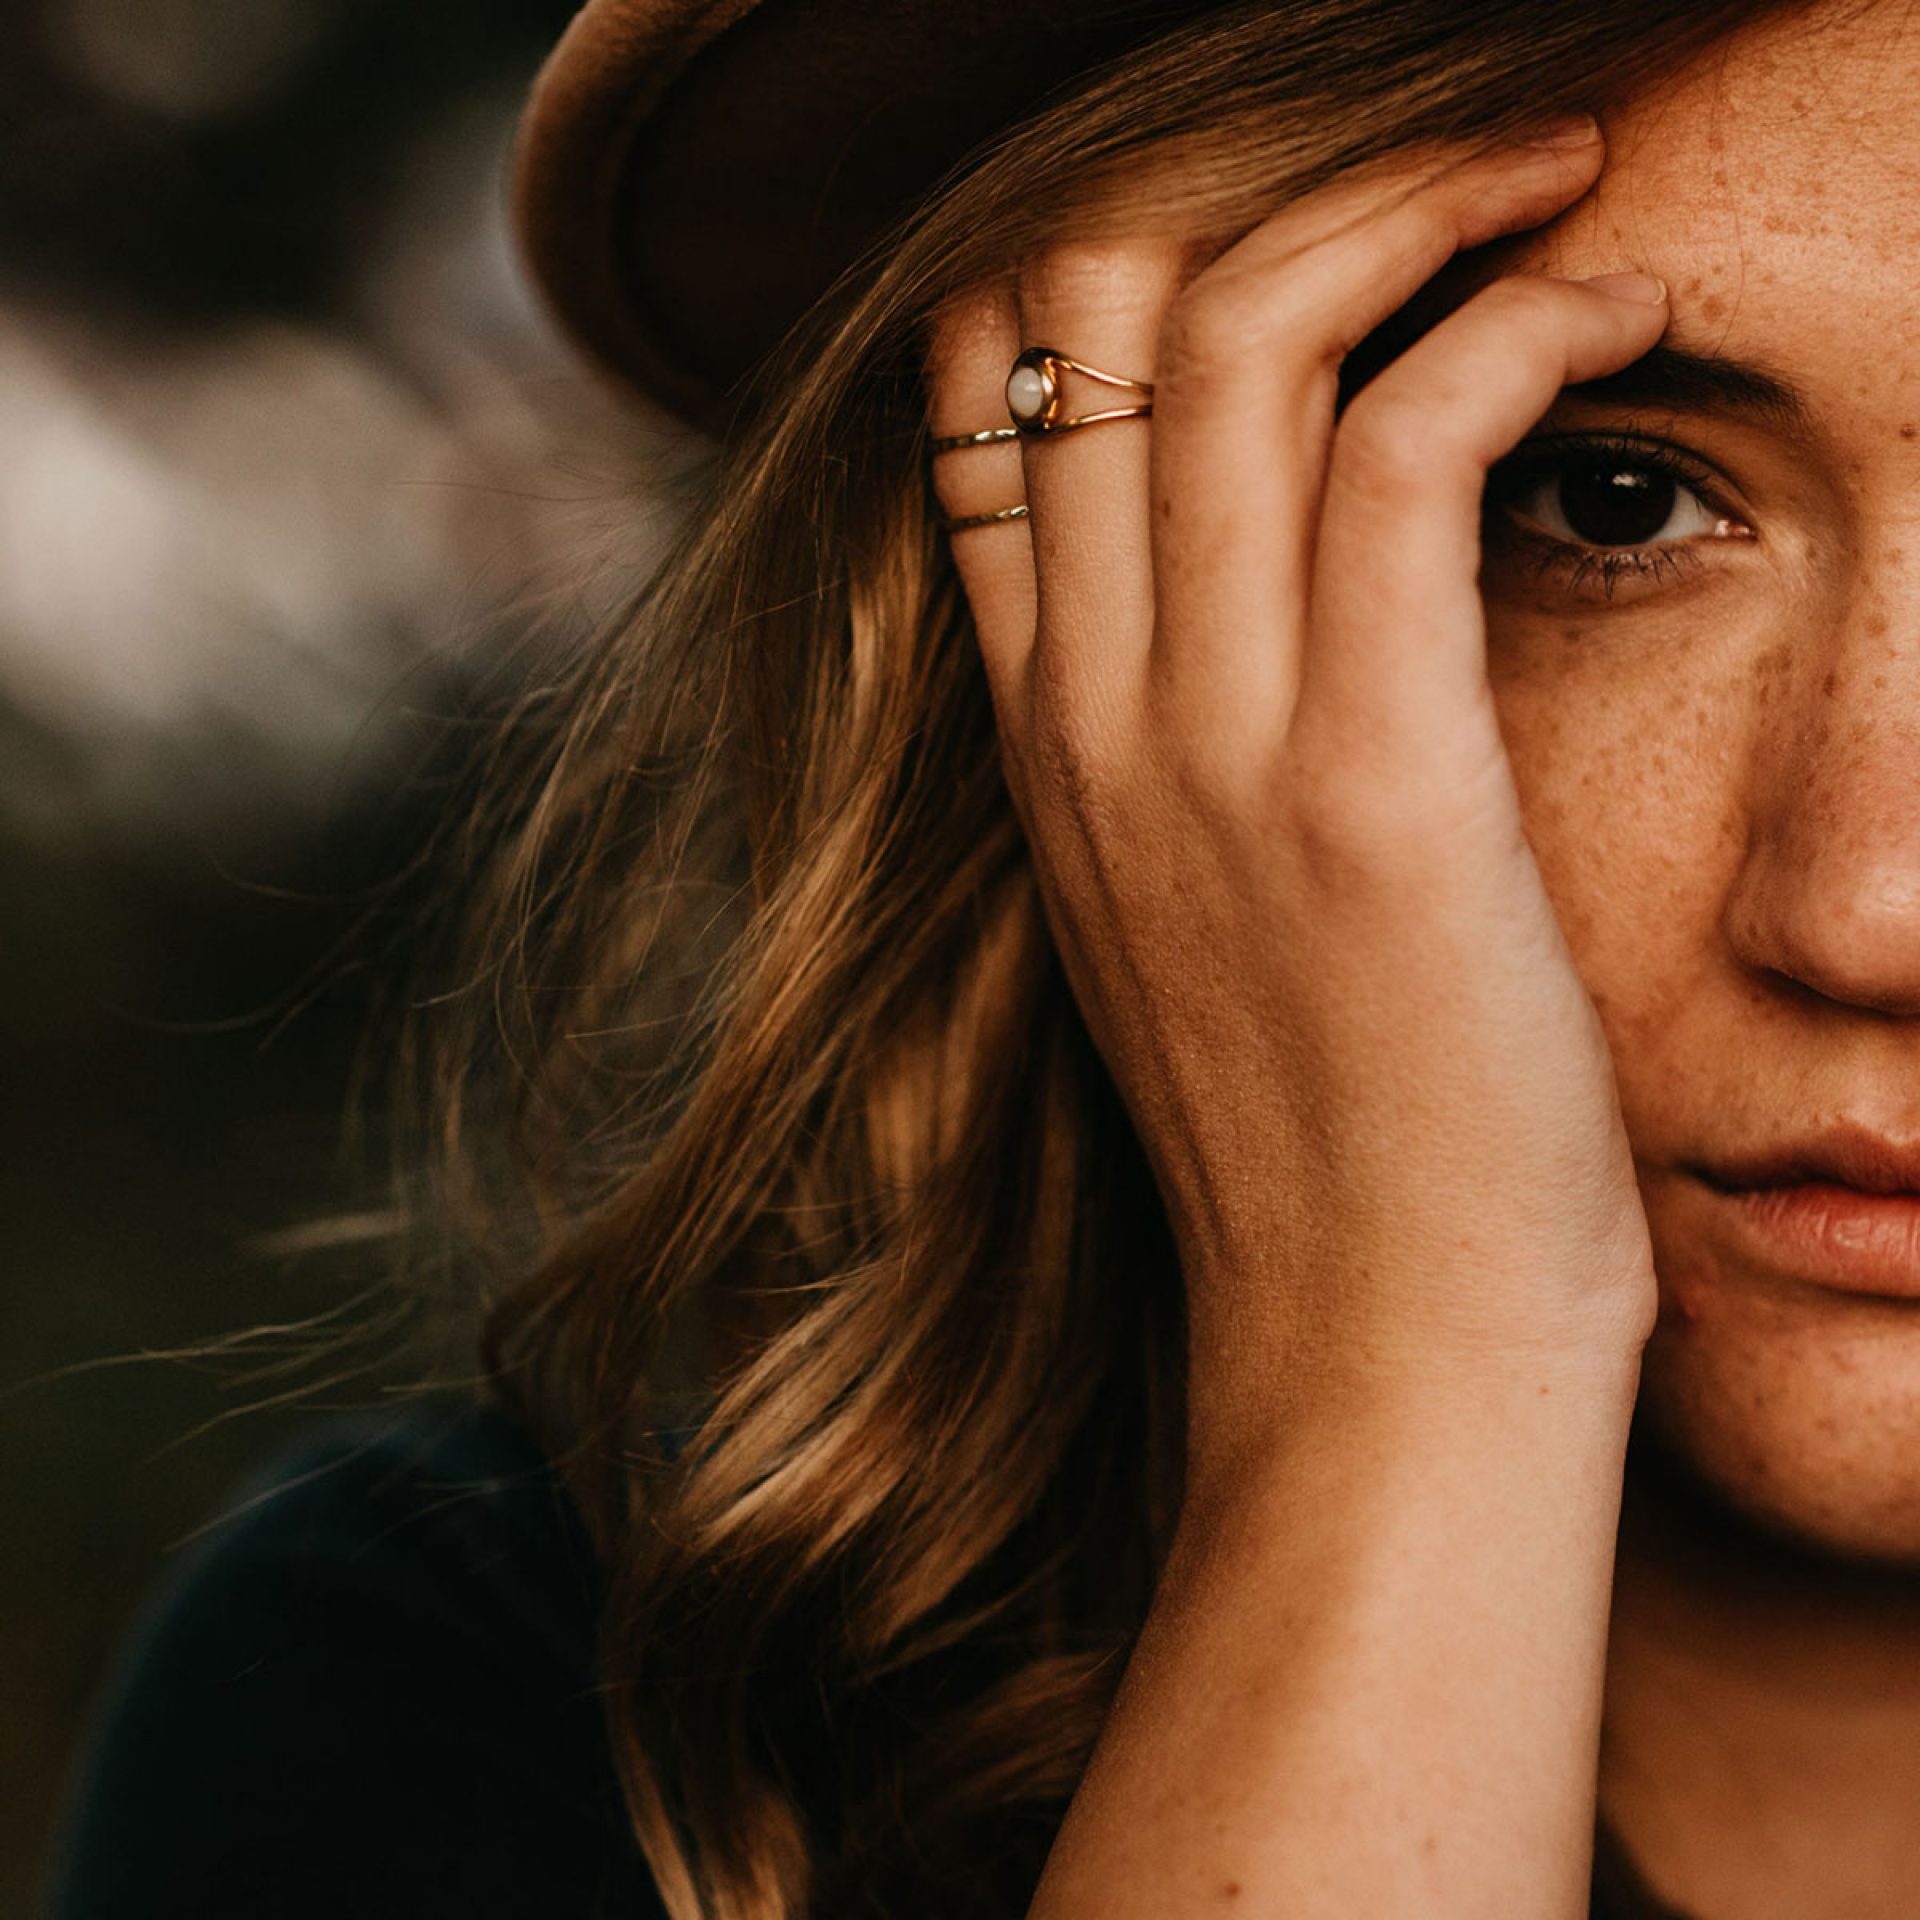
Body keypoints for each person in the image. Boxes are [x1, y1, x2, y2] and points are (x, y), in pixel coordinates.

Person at [44, 0, 1920, 1913]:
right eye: (1604, 496)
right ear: (1110, 579)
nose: (1872, 915)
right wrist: (1407, 1368)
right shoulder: (495, 1700)